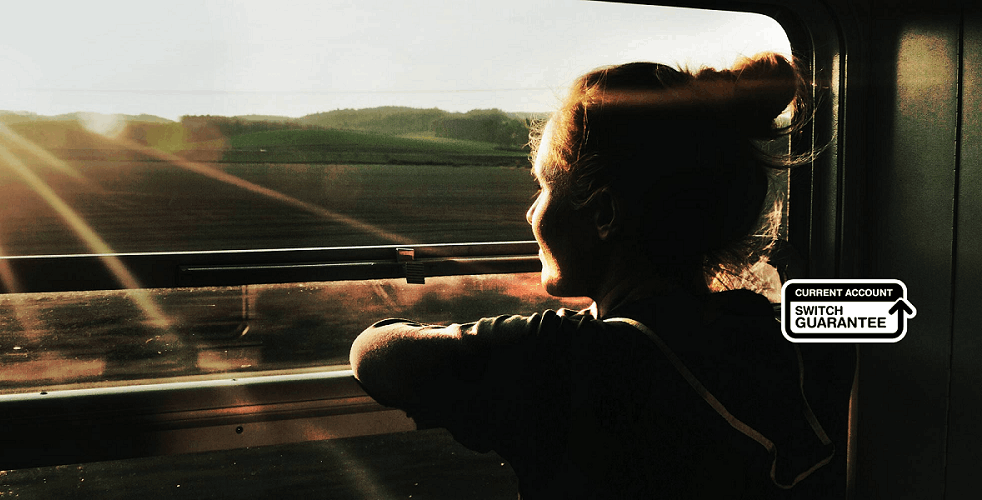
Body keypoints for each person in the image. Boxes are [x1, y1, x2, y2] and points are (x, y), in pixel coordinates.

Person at [349, 53, 854, 499]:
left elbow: (375, 354)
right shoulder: (799, 334)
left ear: (604, 215)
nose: (531, 214)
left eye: (545, 187)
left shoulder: (574, 361)